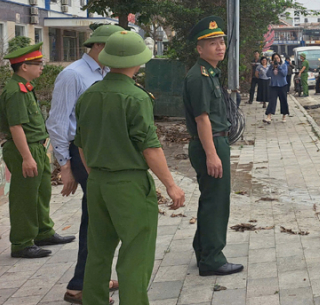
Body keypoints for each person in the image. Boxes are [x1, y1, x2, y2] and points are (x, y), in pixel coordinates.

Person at [75, 30, 185, 305]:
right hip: (129, 185)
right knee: (136, 252)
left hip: (97, 182)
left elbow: (80, 144)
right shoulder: (136, 98)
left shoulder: (89, 94)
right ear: (139, 61)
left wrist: (96, 174)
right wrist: (171, 185)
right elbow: (150, 148)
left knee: (98, 251)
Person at [47, 24, 124, 303]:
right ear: (100, 47)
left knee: (98, 216)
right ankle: (80, 285)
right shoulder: (73, 75)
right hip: (79, 153)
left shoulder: (104, 73)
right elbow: (57, 122)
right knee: (96, 218)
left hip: (96, 151)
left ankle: (93, 277)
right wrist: (65, 165)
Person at [0, 42, 75, 259]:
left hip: (37, 148)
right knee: (25, 198)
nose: (42, 67)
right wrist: (26, 157)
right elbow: (16, 127)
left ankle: (43, 232)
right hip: (25, 150)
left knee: (41, 193)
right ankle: (22, 243)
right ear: (24, 66)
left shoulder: (25, 87)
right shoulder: (15, 91)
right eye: (38, 64)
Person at [182, 17, 244, 277]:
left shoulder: (210, 73)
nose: (220, 47)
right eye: (212, 43)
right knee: (216, 202)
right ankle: (212, 260)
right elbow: (201, 118)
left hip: (216, 140)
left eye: (221, 42)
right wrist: (212, 154)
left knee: (211, 200)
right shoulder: (199, 76)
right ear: (199, 48)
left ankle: (203, 250)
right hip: (210, 143)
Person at [264, 53, 289, 124]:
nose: (276, 60)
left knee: (283, 100)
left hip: (282, 85)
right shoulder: (271, 66)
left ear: (280, 58)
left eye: (277, 58)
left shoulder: (283, 65)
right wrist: (272, 67)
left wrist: (278, 67)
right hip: (273, 85)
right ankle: (269, 116)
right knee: (272, 100)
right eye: (274, 58)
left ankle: (284, 115)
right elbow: (268, 74)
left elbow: (284, 74)